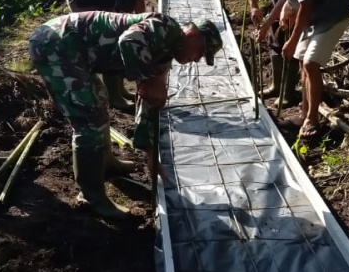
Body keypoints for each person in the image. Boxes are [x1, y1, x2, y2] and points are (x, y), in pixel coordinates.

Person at [29, 12, 222, 218]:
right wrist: (149, 80)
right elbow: (129, 40)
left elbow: (148, 102)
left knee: (99, 102)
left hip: (78, 52)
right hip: (56, 44)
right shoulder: (165, 28)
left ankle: (105, 162)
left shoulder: (164, 57)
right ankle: (91, 197)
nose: (197, 59)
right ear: (192, 35)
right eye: (201, 52)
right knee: (88, 120)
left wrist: (151, 155)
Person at [242, 0, 349, 139]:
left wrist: (292, 40)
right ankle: (304, 114)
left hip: (332, 13)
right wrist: (269, 22)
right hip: (314, 15)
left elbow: (306, 4)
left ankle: (312, 120)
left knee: (310, 63)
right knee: (302, 62)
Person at [65, 0, 185, 111]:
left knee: (123, 37)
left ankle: (120, 90)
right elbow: (120, 20)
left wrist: (144, 22)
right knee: (112, 42)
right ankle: (114, 97)